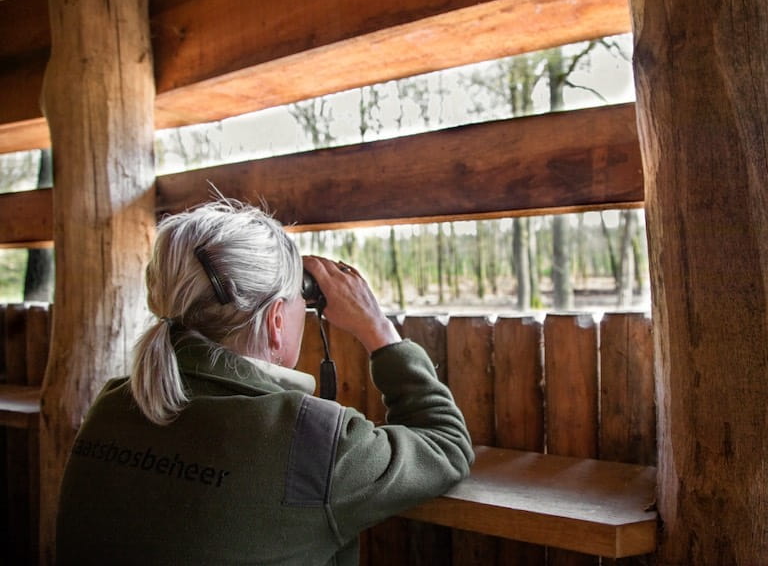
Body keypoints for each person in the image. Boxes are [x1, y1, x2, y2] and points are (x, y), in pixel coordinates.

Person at [56, 199, 474, 565]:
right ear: (276, 321)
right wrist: (379, 330)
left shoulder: (112, 404)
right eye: (298, 302)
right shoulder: (307, 439)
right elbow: (446, 445)